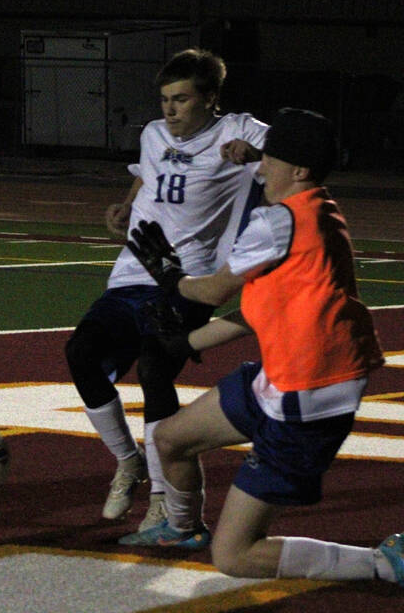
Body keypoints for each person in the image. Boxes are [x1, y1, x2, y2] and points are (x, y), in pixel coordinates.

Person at [124, 108, 404, 590]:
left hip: (307, 397)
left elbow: (214, 291)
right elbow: (266, 309)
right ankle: (180, 529)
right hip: (287, 375)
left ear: (299, 170)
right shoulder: (320, 210)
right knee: (172, 439)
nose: (261, 168)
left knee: (235, 556)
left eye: (270, 159)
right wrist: (186, 341)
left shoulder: (276, 222)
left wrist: (171, 279)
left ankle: (383, 561)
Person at [63, 48, 267, 537]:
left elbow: (303, 155)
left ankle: (161, 500)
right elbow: (146, 177)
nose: (169, 110)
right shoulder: (153, 134)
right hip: (134, 271)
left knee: (155, 368)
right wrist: (123, 208)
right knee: (81, 353)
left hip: (189, 280)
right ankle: (127, 461)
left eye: (181, 99)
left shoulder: (240, 129)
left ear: (211, 100)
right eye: (165, 100)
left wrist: (256, 154)